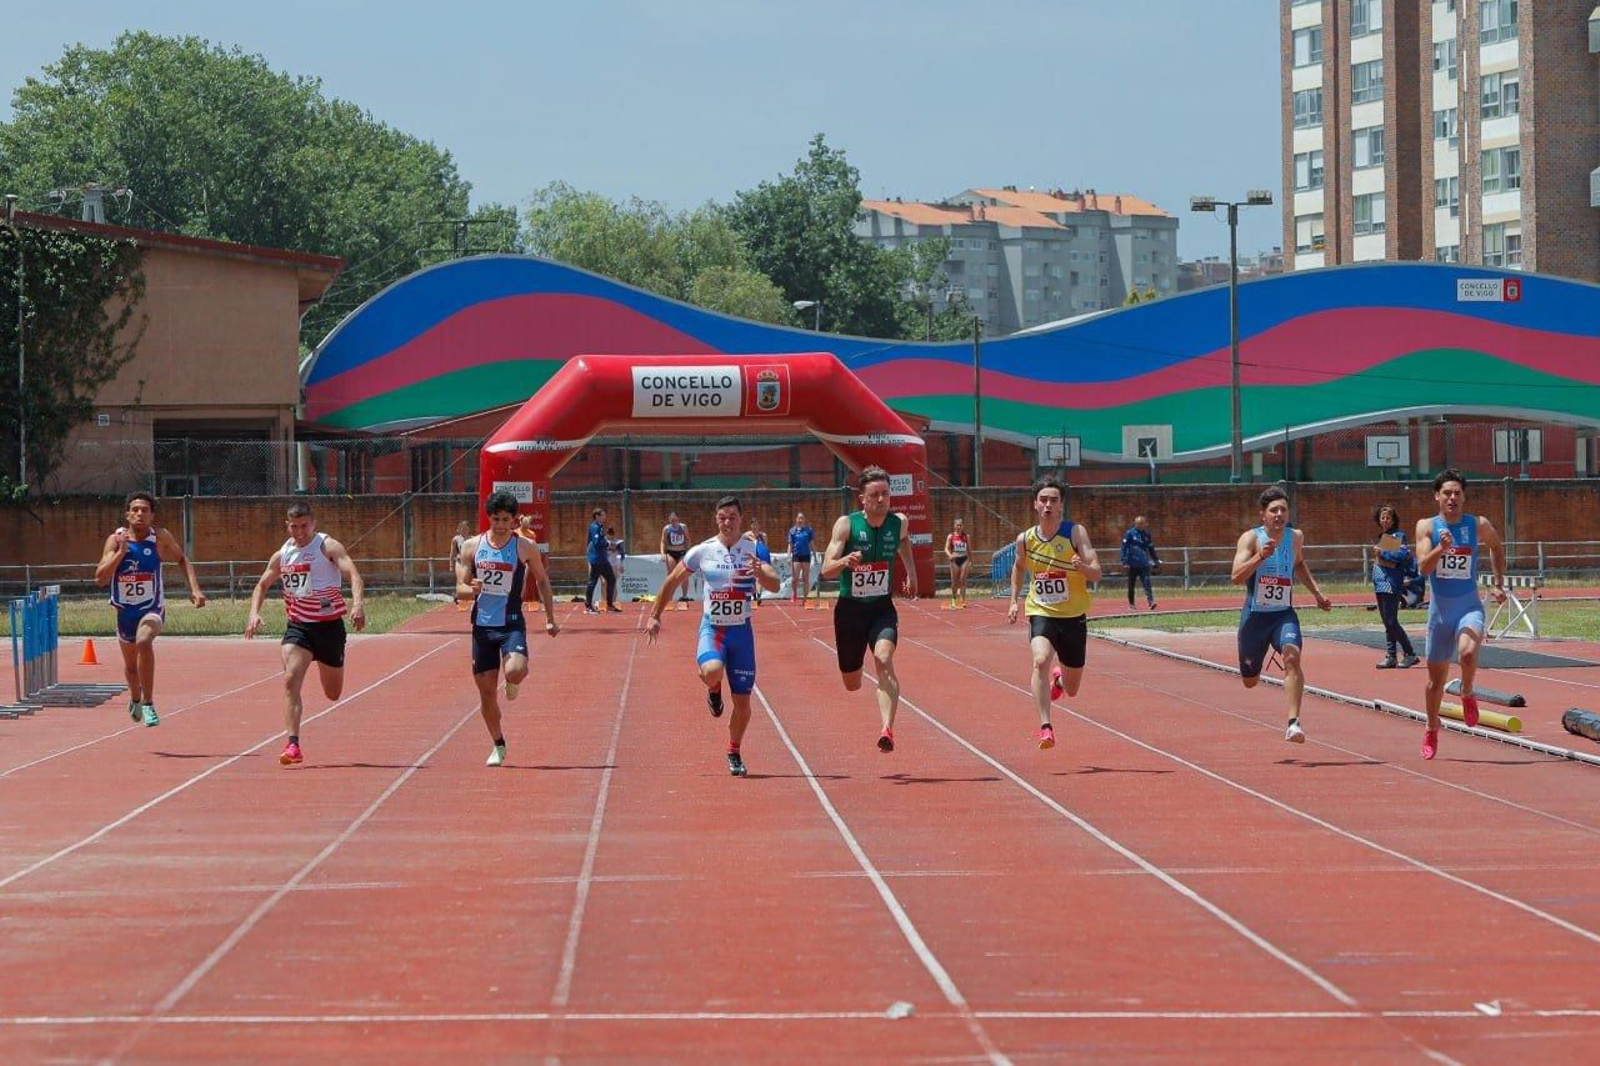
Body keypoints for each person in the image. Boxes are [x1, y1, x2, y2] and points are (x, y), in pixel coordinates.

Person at [647, 496, 780, 777]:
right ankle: (714, 689)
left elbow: (774, 582)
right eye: (722, 517)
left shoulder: (755, 548)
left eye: (732, 517)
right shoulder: (702, 551)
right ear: (716, 520)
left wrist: (761, 573)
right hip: (714, 629)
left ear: (741, 519)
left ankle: (734, 750)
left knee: (743, 704)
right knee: (712, 671)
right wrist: (655, 615)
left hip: (741, 633)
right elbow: (672, 581)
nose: (728, 522)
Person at [245, 502, 367, 766]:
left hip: (329, 627)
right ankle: (293, 744)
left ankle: (334, 662)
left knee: (332, 693)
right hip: (299, 627)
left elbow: (354, 575)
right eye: (294, 526)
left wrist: (357, 604)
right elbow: (262, 584)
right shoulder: (283, 554)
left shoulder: (327, 547)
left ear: (314, 524)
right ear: (287, 526)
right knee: (290, 679)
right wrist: (254, 613)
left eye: (304, 526)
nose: (299, 532)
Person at [820, 466, 919, 753]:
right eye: (874, 495)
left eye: (885, 494)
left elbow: (903, 542)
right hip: (850, 611)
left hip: (881, 608)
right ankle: (856, 671)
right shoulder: (846, 525)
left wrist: (911, 572)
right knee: (852, 682)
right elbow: (826, 569)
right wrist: (844, 562)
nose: (880, 499)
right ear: (862, 498)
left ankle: (887, 728)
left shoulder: (898, 522)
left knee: (884, 658)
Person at [456, 491, 559, 767]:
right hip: (482, 628)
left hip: (511, 622)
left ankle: (513, 682)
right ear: (488, 518)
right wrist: (470, 589)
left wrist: (550, 617)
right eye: (495, 519)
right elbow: (459, 590)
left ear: (514, 520)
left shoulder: (524, 547)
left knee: (515, 670)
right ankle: (498, 744)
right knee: (487, 693)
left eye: (505, 519)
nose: (500, 524)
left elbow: (543, 581)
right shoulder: (471, 547)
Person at [1414, 469, 1507, 760]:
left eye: (1457, 493)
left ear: (1464, 496)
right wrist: (1441, 549)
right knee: (1435, 681)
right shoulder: (1426, 527)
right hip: (1440, 613)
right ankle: (1431, 727)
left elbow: (1496, 546)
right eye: (1447, 493)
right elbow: (1423, 569)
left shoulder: (1477, 524)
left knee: (1467, 654)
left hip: (1468, 605)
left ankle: (1467, 691)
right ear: (1437, 497)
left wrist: (1498, 582)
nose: (1452, 498)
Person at [93, 491, 207, 727]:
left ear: (152, 515)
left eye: (145, 510)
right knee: (130, 669)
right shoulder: (115, 540)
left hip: (151, 608)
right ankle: (135, 697)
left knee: (144, 641)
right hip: (125, 612)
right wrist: (121, 553)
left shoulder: (160, 538)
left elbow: (182, 559)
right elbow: (100, 578)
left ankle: (148, 703)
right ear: (127, 514)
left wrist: (194, 589)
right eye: (135, 510)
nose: (140, 514)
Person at [1230, 487, 1333, 745]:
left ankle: (1293, 722)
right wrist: (1259, 557)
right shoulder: (1250, 539)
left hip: (1283, 615)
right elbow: (1235, 577)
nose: (1279, 514)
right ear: (1263, 515)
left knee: (1292, 656)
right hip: (1255, 617)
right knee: (1250, 681)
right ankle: (1256, 663)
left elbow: (1298, 563)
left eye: (1283, 510)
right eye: (1273, 510)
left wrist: (1317, 594)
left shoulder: (1295, 537)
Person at [1006, 477, 1102, 749]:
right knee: (1040, 658)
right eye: (1044, 500)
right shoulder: (1025, 539)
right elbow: (1018, 567)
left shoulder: (1075, 533)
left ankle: (1059, 679)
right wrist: (1014, 600)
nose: (1048, 505)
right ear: (1035, 504)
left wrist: (1082, 567)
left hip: (1073, 617)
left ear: (1061, 505)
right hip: (1041, 611)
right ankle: (1045, 726)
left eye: (1054, 500)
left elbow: (1098, 571)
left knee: (1072, 690)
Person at [1370, 504, 1420, 670]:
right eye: (1382, 517)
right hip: (1380, 583)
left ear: (1393, 520)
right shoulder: (1384, 536)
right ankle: (1391, 655)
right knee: (1387, 622)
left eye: (1388, 518)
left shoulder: (1397, 535)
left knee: (1391, 621)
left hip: (1391, 583)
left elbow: (1401, 555)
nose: (1384, 520)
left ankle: (1410, 653)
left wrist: (1381, 553)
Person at [1119, 515, 1160, 610]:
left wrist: (1156, 560)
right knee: (1131, 584)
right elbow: (1124, 548)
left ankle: (1151, 602)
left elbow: (1150, 548)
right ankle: (1131, 603)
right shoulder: (1130, 533)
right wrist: (1124, 561)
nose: (1141, 525)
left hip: (1144, 564)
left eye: (1143, 523)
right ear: (1136, 524)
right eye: (1139, 524)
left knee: (1147, 582)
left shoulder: (1147, 534)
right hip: (1132, 564)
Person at [584, 506, 620, 614]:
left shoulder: (599, 527)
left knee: (611, 579)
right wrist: (608, 543)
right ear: (597, 516)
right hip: (597, 559)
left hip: (603, 559)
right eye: (603, 515)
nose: (605, 517)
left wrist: (608, 544)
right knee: (592, 582)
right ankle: (589, 606)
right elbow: (596, 543)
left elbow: (600, 541)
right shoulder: (594, 527)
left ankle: (609, 605)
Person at [660, 511, 691, 602]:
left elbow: (688, 539)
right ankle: (669, 597)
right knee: (671, 575)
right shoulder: (666, 528)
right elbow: (662, 541)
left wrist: (687, 550)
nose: (673, 520)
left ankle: (684, 596)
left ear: (678, 518)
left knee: (684, 574)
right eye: (671, 519)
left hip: (681, 552)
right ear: (669, 519)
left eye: (674, 518)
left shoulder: (683, 527)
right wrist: (662, 553)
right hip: (671, 552)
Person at [787, 511, 816, 606]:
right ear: (796, 519)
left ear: (804, 520)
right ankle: (794, 593)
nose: (800, 520)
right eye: (799, 518)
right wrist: (788, 556)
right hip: (796, 556)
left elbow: (811, 544)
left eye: (802, 518)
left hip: (806, 556)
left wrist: (815, 554)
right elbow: (790, 545)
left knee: (805, 578)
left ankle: (805, 598)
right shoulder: (792, 531)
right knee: (795, 578)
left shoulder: (808, 530)